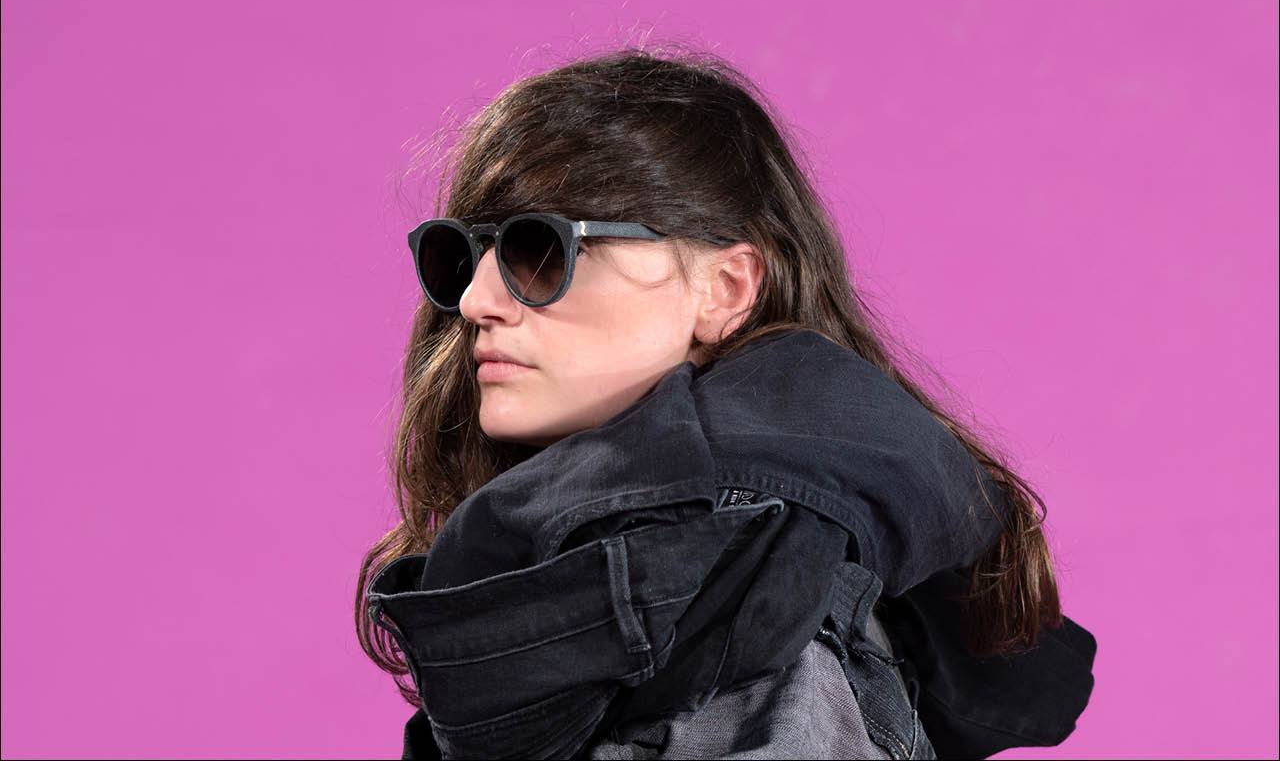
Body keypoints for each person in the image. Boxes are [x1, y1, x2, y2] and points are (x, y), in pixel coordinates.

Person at [356, 46, 1097, 760]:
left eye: (542, 251)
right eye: (464, 256)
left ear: (725, 290)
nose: (476, 300)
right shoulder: (660, 611)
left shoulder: (753, 630)